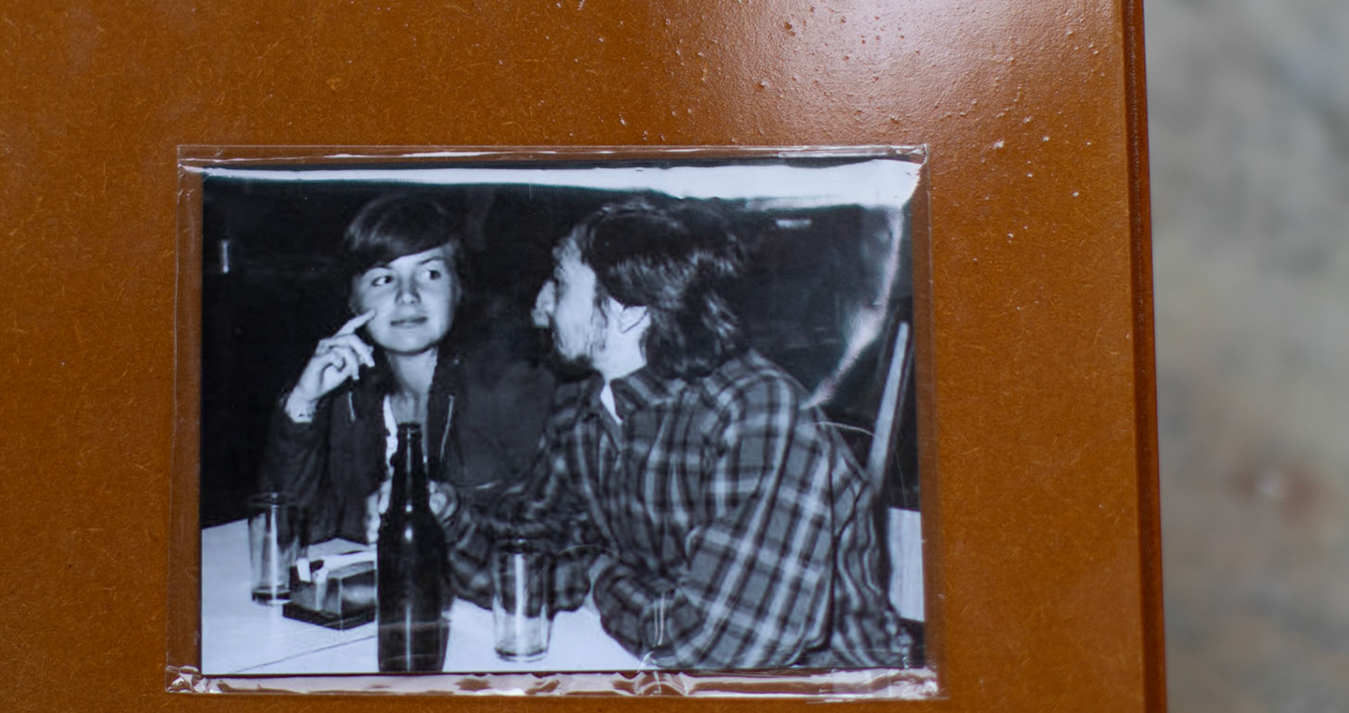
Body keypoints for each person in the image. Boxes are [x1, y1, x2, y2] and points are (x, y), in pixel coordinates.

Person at [522, 198, 912, 670]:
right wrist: (442, 514)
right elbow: (524, 554)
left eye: (560, 283)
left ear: (629, 311)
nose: (540, 304)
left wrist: (596, 577)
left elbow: (724, 644)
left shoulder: (755, 411)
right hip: (660, 674)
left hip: (827, 700)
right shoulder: (580, 407)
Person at [258, 192, 556, 551]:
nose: (407, 296)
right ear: (353, 300)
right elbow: (294, 533)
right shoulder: (347, 398)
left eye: (430, 273)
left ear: (459, 289)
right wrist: (304, 403)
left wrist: (452, 513)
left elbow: (554, 529)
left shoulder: (508, 385)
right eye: (383, 279)